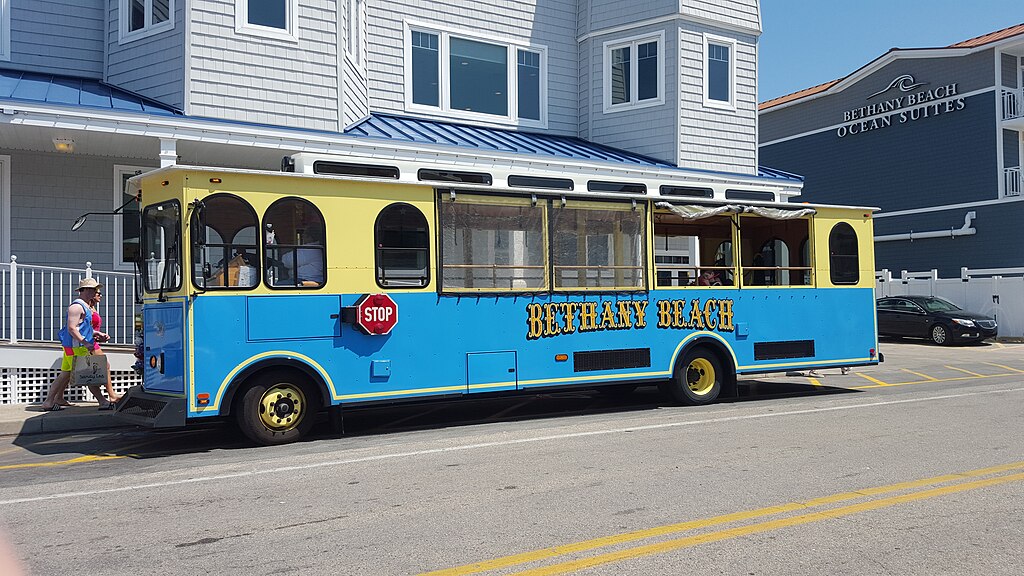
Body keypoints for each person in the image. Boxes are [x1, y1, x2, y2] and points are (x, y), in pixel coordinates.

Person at [39, 278, 115, 411]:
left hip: (73, 346)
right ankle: (103, 401)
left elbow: (82, 328)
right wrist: (85, 342)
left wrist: (97, 334)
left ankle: (49, 401)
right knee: (90, 373)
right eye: (92, 289)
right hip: (77, 347)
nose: (95, 291)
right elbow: (72, 328)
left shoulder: (84, 306)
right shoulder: (76, 307)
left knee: (66, 374)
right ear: (84, 290)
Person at [85, 287, 121, 404]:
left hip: (93, 341)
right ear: (91, 294)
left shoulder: (92, 307)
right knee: (102, 367)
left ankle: (56, 398)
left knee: (96, 370)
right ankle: (111, 396)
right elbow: (83, 328)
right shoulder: (85, 308)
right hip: (88, 343)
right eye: (98, 293)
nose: (100, 296)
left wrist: (99, 336)